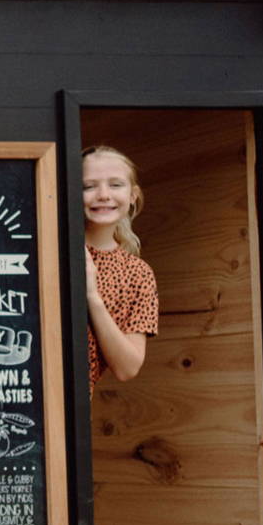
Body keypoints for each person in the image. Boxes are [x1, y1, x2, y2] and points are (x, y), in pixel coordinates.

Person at [79, 145, 159, 386]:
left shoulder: (137, 273)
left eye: (115, 184)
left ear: (133, 195)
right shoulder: (49, 247)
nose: (103, 194)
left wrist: (92, 296)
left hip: (76, 409)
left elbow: (128, 368)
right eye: (89, 186)